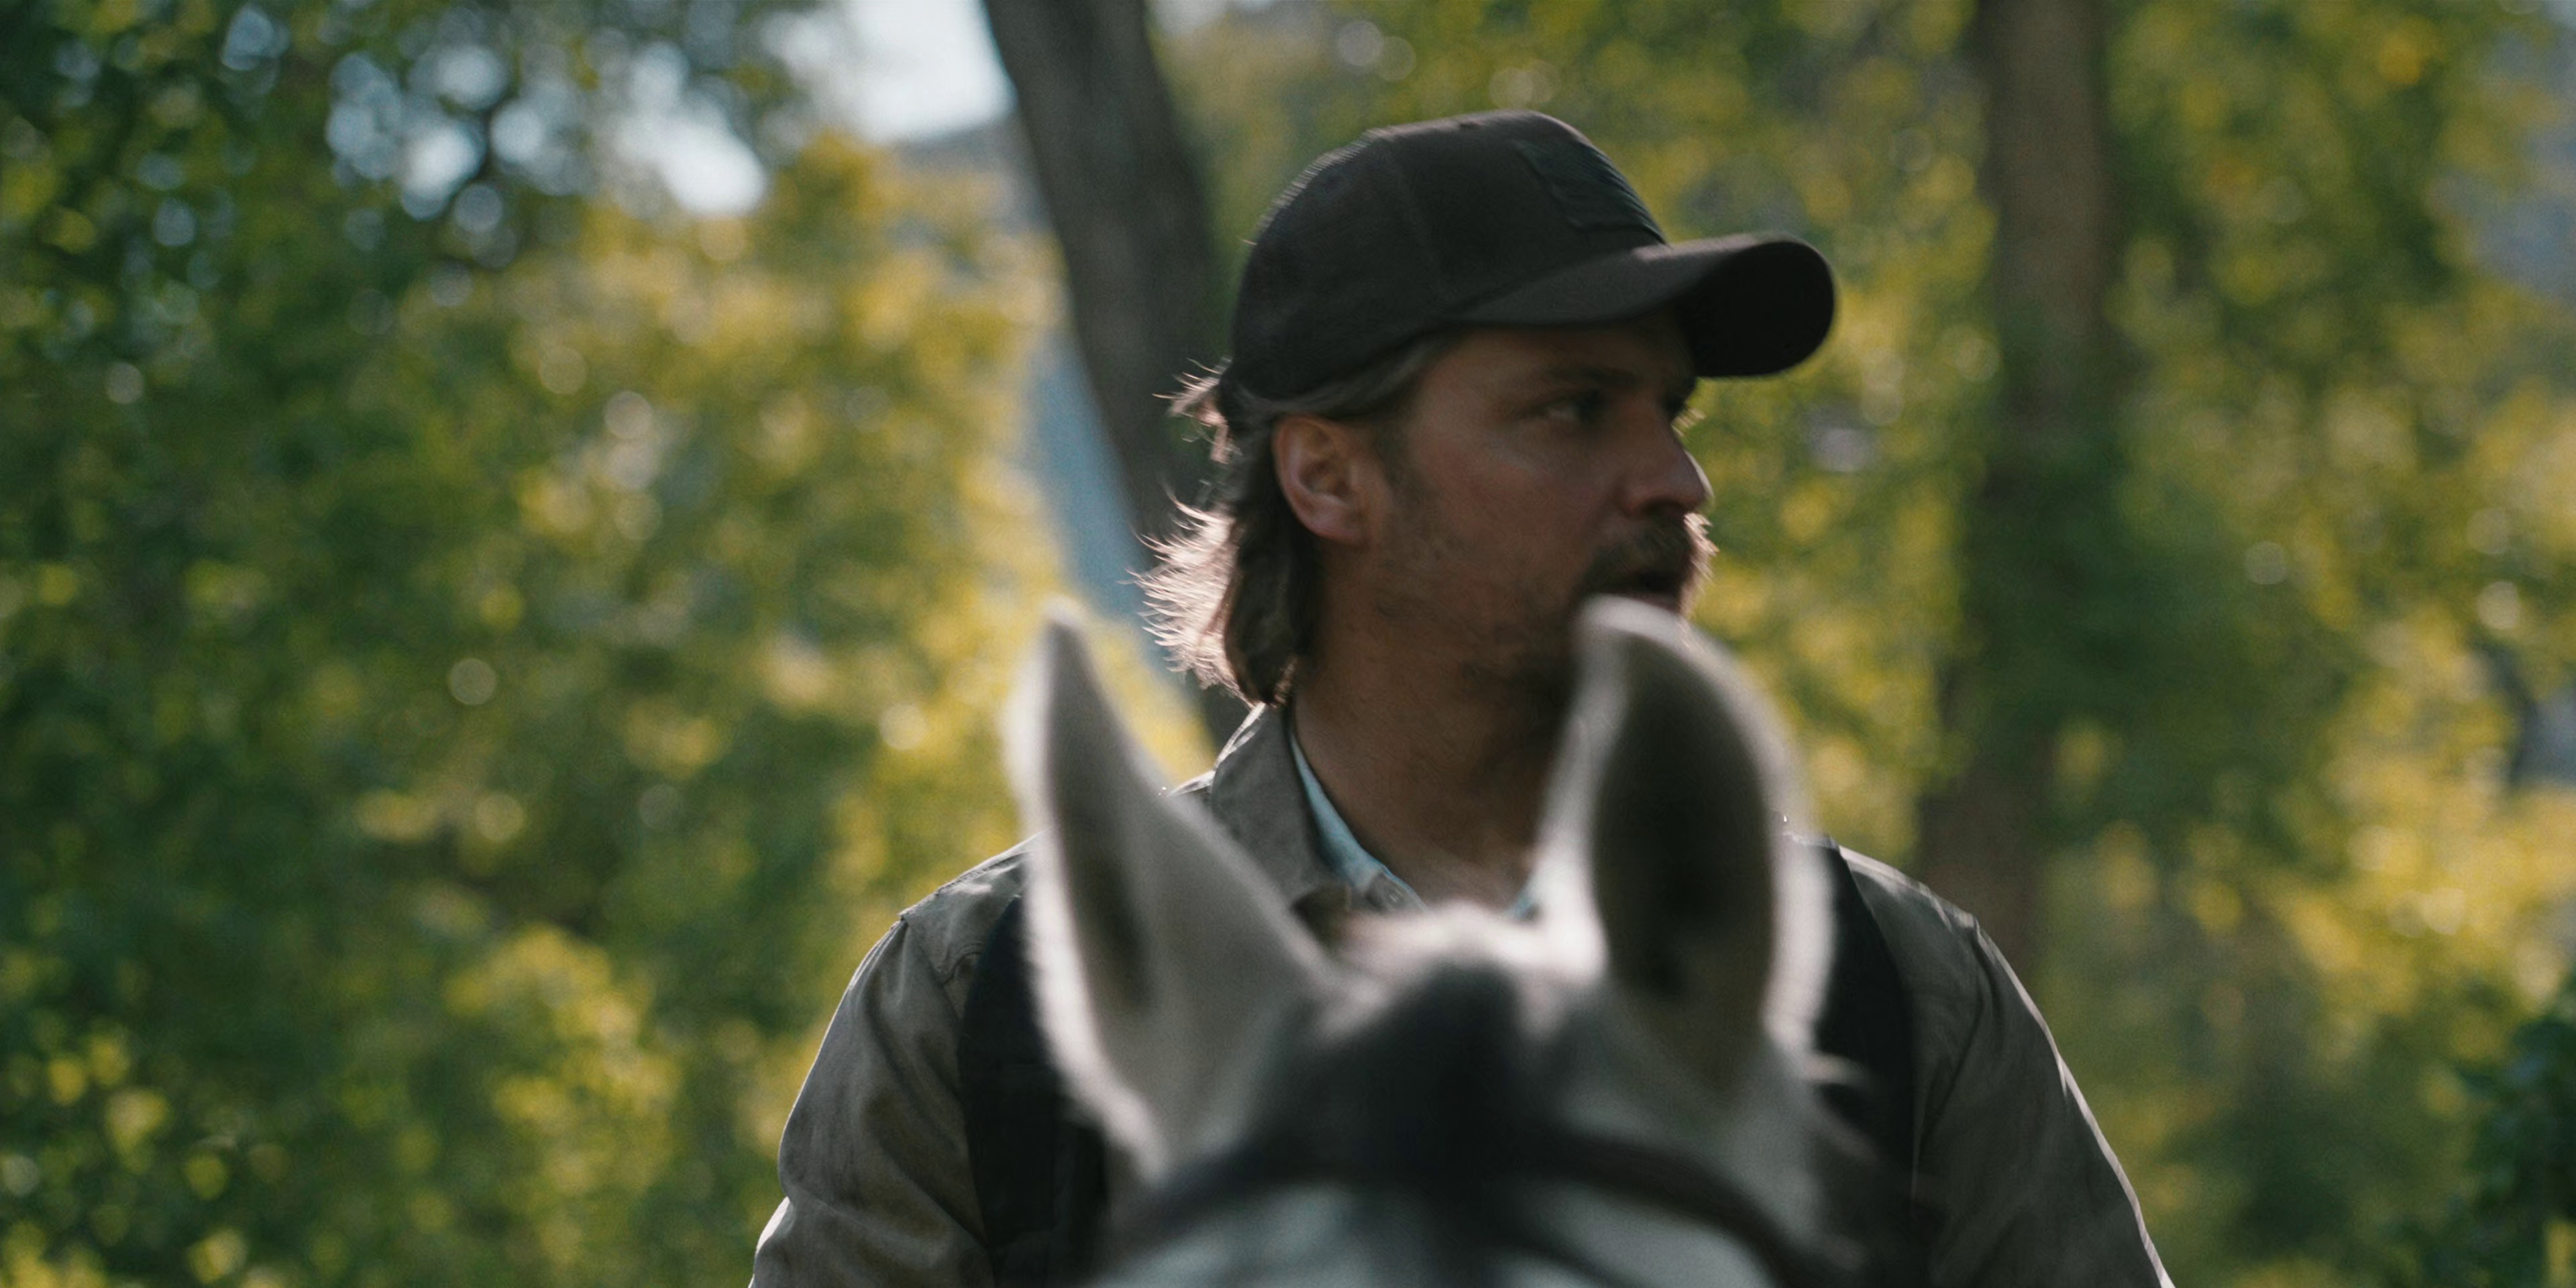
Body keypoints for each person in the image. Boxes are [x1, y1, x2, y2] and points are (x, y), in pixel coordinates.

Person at [750, 110, 2170, 1288]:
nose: (1677, 482)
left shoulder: (1898, 985)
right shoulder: (984, 1007)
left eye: (1671, 413)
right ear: (1328, 477)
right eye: (1574, 409)